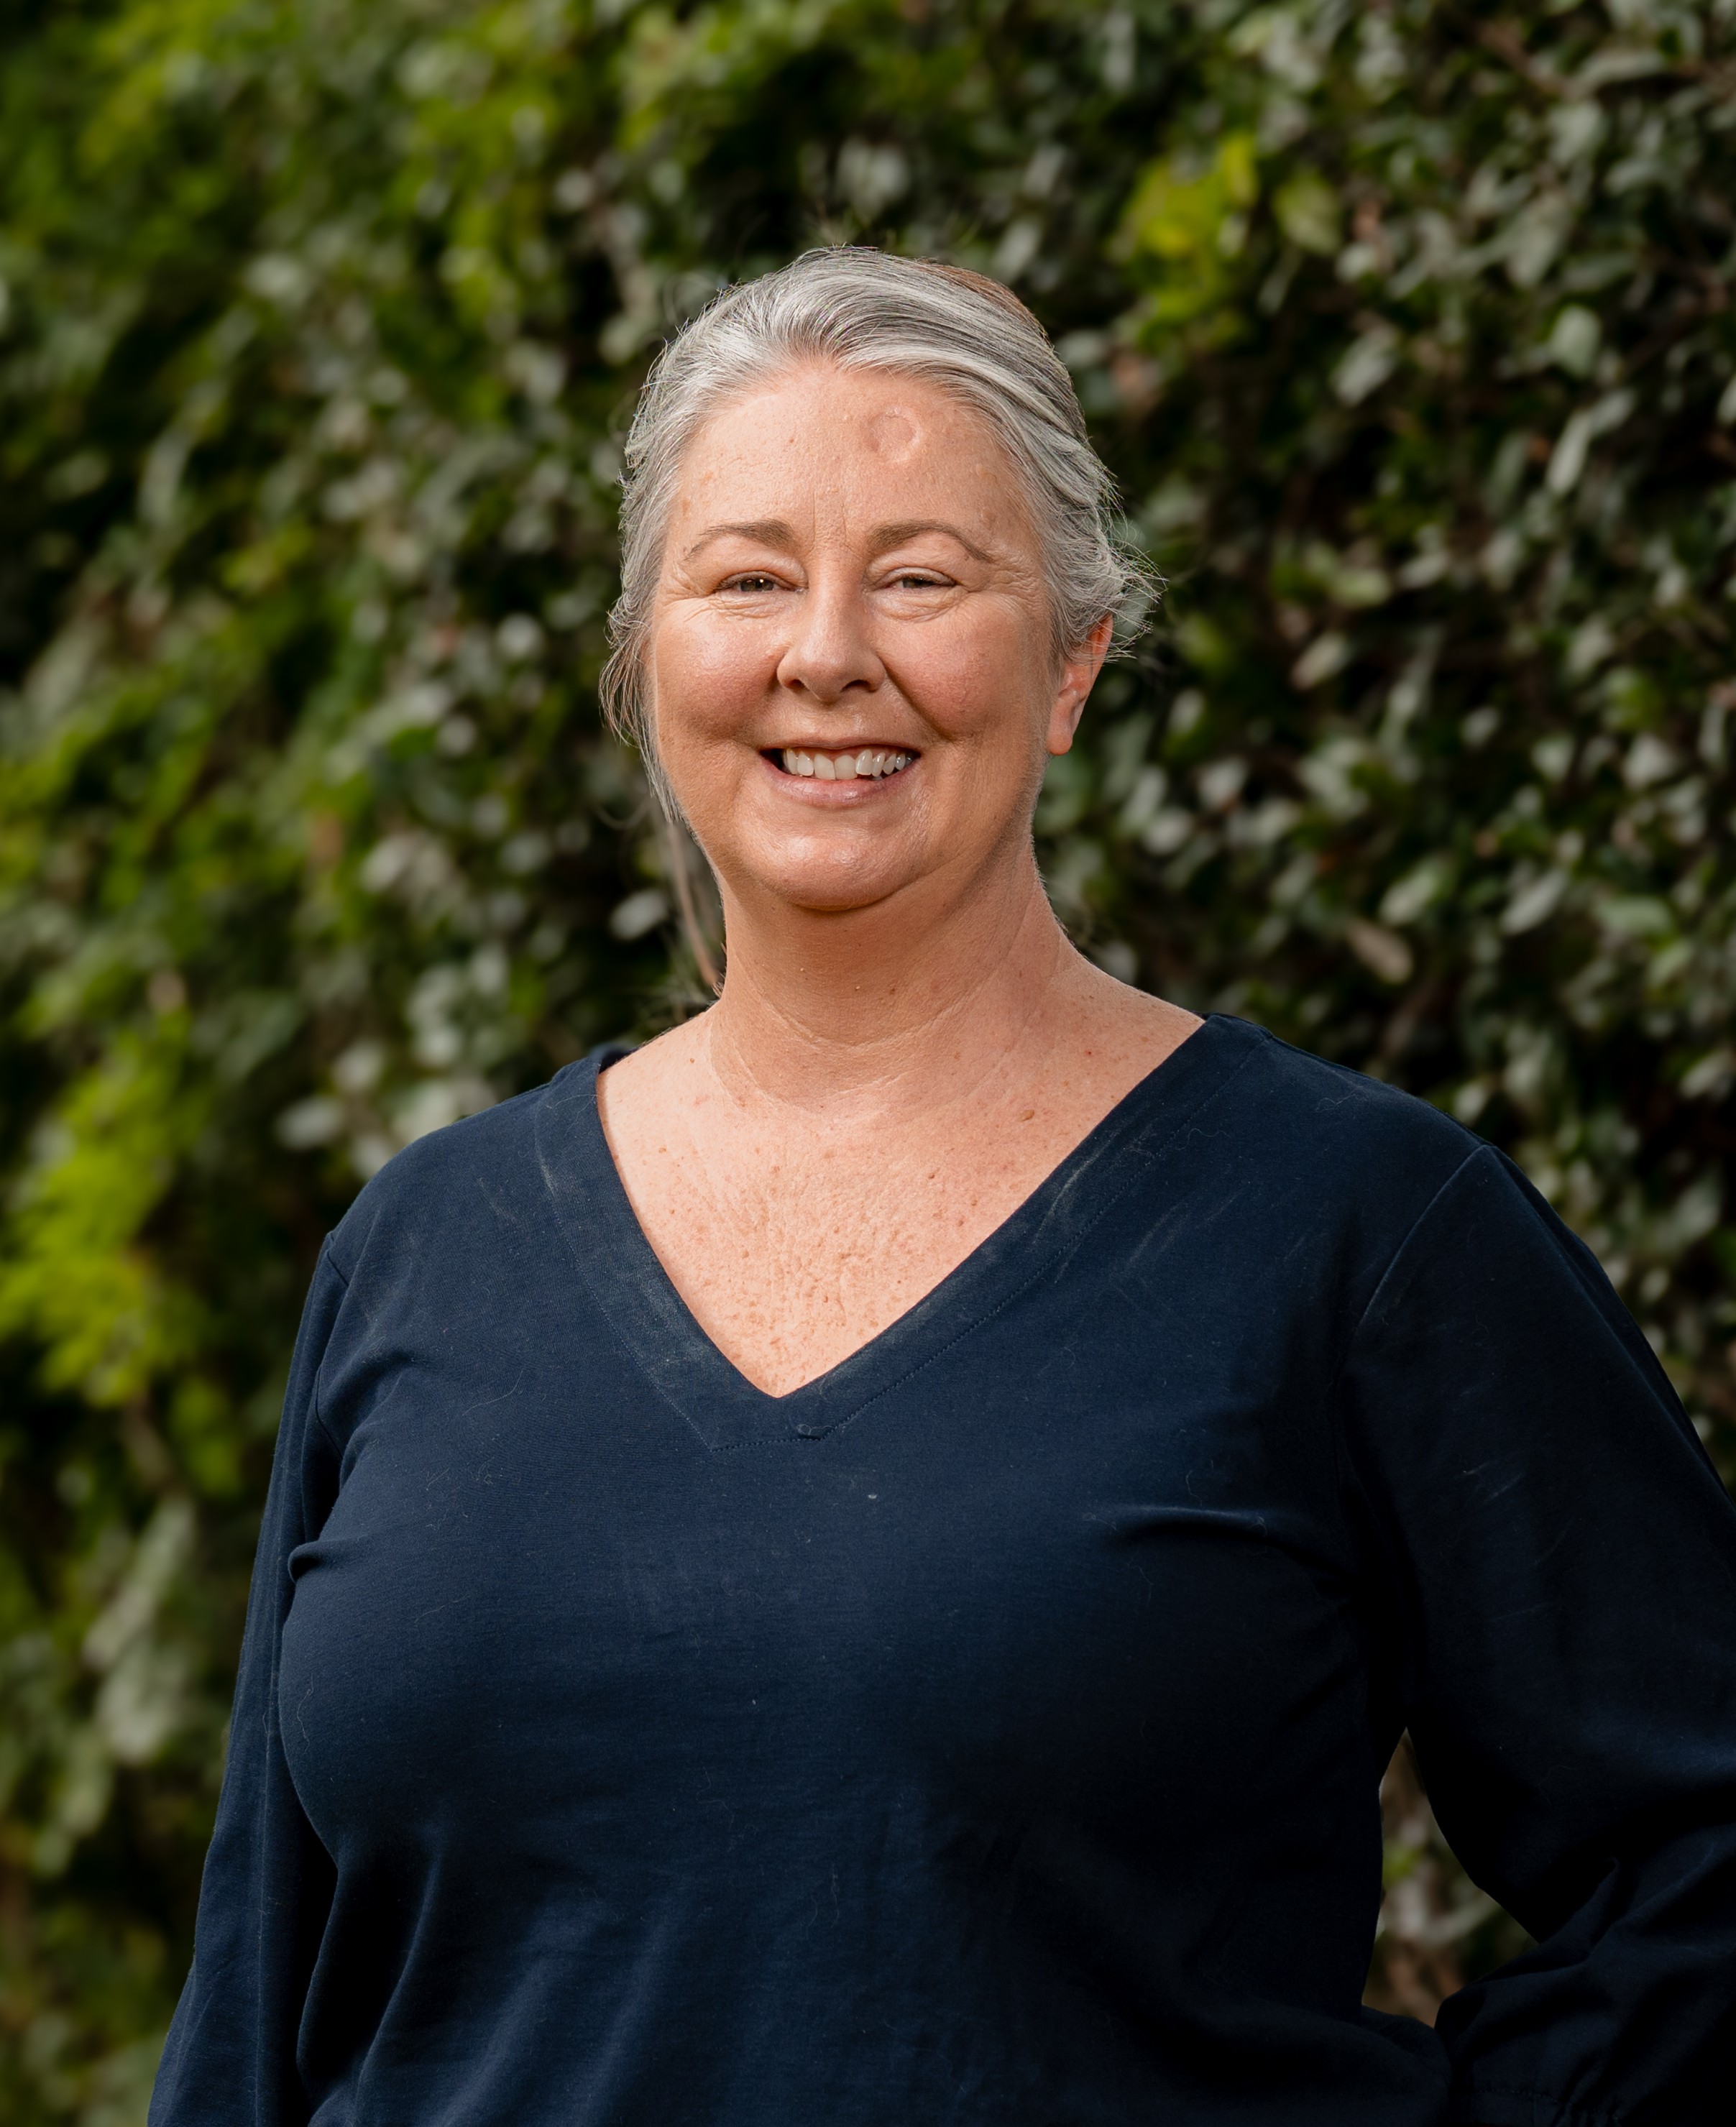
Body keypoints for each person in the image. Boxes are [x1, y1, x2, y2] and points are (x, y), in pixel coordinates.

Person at [150, 249, 1736, 2127]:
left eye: (922, 576)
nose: (828, 651)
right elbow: (259, 2004)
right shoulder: (422, 1252)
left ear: (1070, 663)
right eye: (746, 576)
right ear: (648, 658)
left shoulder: (1354, 1236)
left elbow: (1703, 1885)